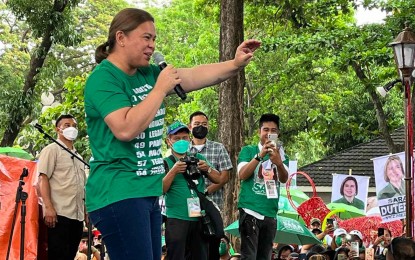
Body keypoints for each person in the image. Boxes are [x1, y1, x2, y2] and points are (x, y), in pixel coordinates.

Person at [83, 7, 260, 260]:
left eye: (154, 39)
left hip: (147, 191)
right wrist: (159, 90)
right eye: (146, 37)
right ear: (120, 37)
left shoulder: (149, 73)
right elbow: (125, 128)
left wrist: (234, 63)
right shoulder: (104, 79)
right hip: (118, 192)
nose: (152, 45)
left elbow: (195, 74)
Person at [162, 121, 221, 259]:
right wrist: (173, 171)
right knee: (176, 255)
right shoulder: (166, 162)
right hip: (177, 218)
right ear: (169, 141)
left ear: (190, 139)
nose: (181, 141)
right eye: (177, 138)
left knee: (200, 255)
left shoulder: (198, 158)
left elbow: (218, 179)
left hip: (198, 217)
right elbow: (161, 189)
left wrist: (207, 168)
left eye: (184, 138)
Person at [237, 113, 289, 259]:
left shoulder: (282, 155)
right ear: (259, 131)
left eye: (273, 130)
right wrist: (259, 156)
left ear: (278, 133)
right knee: (249, 256)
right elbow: (242, 175)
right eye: (266, 129)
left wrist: (278, 162)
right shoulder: (248, 150)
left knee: (265, 256)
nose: (269, 133)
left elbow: (284, 179)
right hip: (250, 210)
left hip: (270, 213)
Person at [37, 114, 86, 260]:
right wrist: (48, 207)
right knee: (58, 255)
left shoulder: (79, 156)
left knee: (70, 255)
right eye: (67, 125)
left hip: (77, 215)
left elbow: (83, 186)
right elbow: (43, 178)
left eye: (74, 126)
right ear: (58, 129)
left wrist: (86, 211)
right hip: (59, 214)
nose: (72, 128)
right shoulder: (52, 150)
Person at [188, 111, 233, 260]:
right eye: (197, 124)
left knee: (214, 236)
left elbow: (225, 177)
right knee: (194, 238)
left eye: (204, 124)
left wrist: (206, 191)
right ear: (190, 127)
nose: (201, 127)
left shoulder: (218, 148)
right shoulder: (183, 149)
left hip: (214, 202)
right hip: (191, 203)